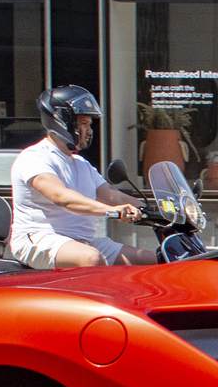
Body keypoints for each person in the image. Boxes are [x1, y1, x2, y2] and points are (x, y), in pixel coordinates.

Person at [9, 85, 156, 269]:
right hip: (38, 238)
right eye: (84, 123)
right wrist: (112, 211)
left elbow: (113, 197)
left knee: (155, 261)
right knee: (92, 259)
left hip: (83, 242)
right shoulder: (35, 157)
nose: (89, 130)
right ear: (62, 121)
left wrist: (154, 209)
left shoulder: (81, 164)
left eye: (89, 124)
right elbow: (61, 197)